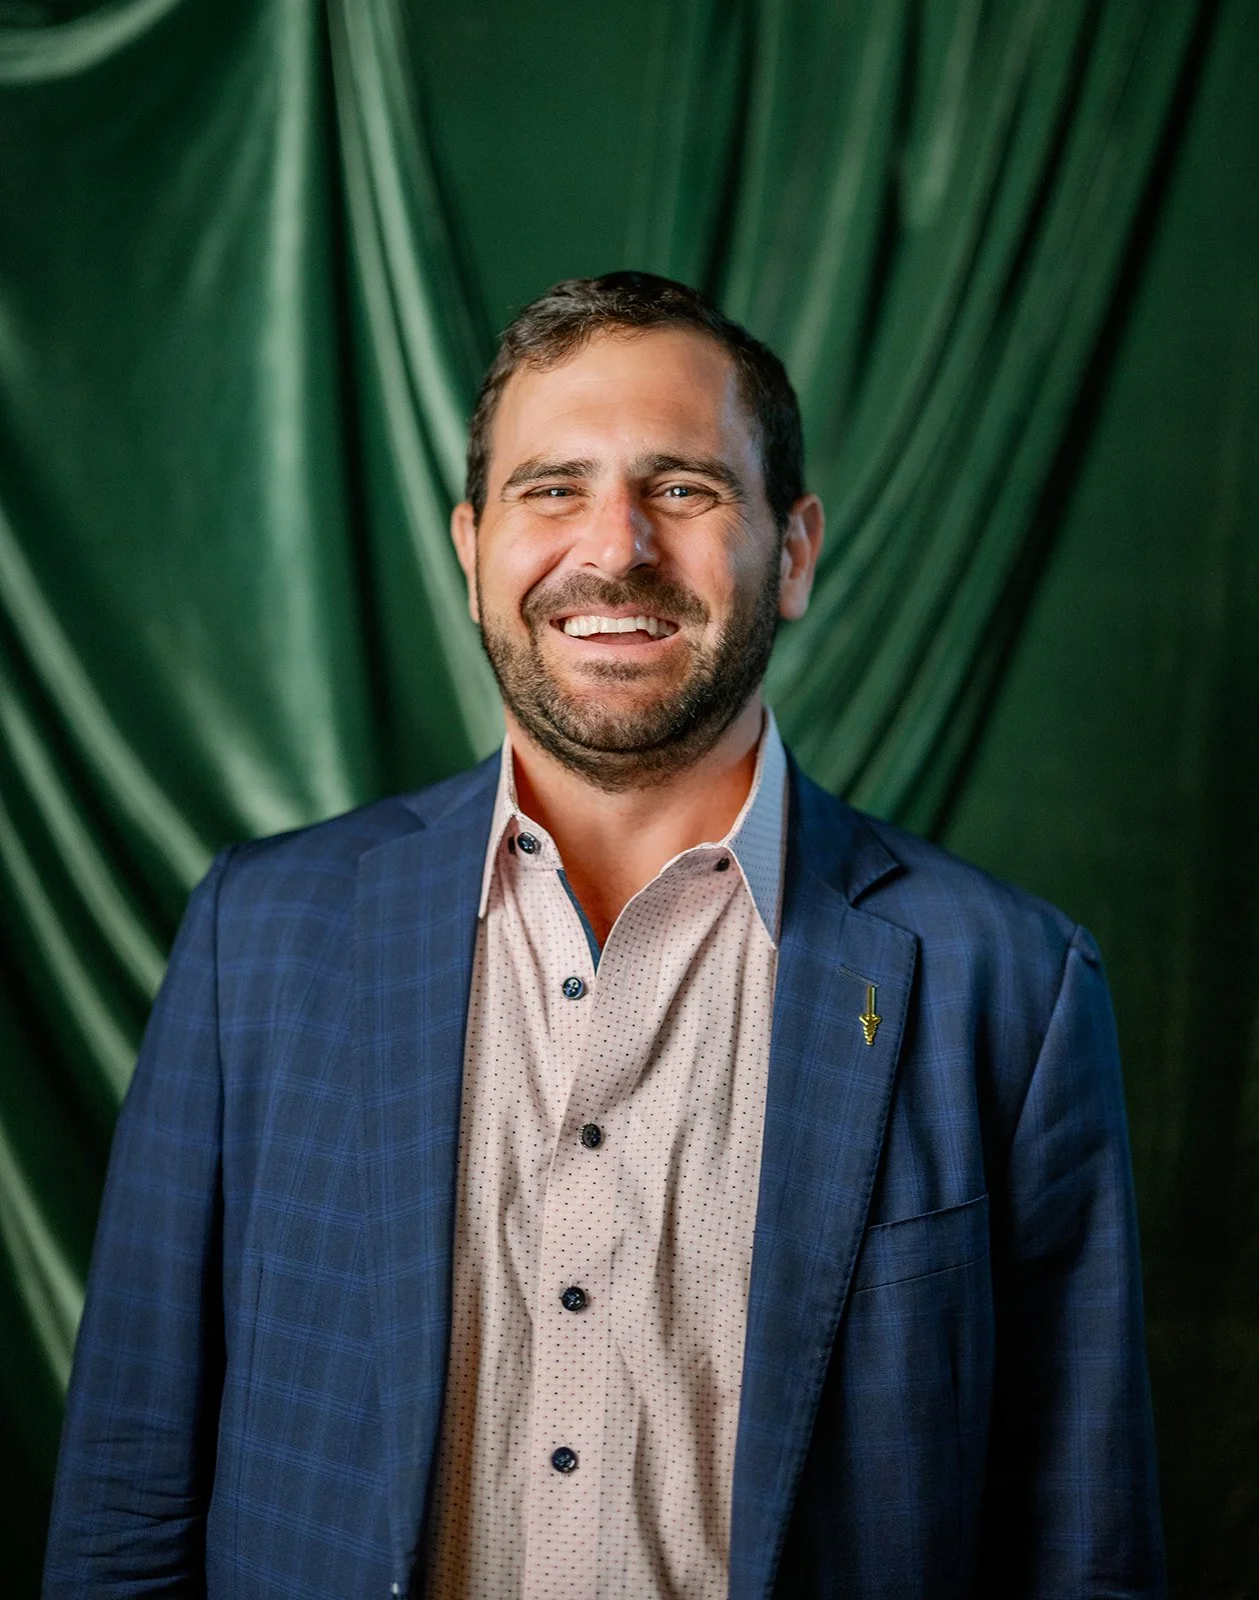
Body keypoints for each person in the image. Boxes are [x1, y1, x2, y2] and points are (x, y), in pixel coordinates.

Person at [43, 272, 1165, 1599]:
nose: (615, 547)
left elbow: (1084, 1553)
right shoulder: (260, 936)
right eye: (551, 490)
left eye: (682, 489)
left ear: (793, 552)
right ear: (472, 553)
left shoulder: (1013, 987)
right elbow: (126, 1501)